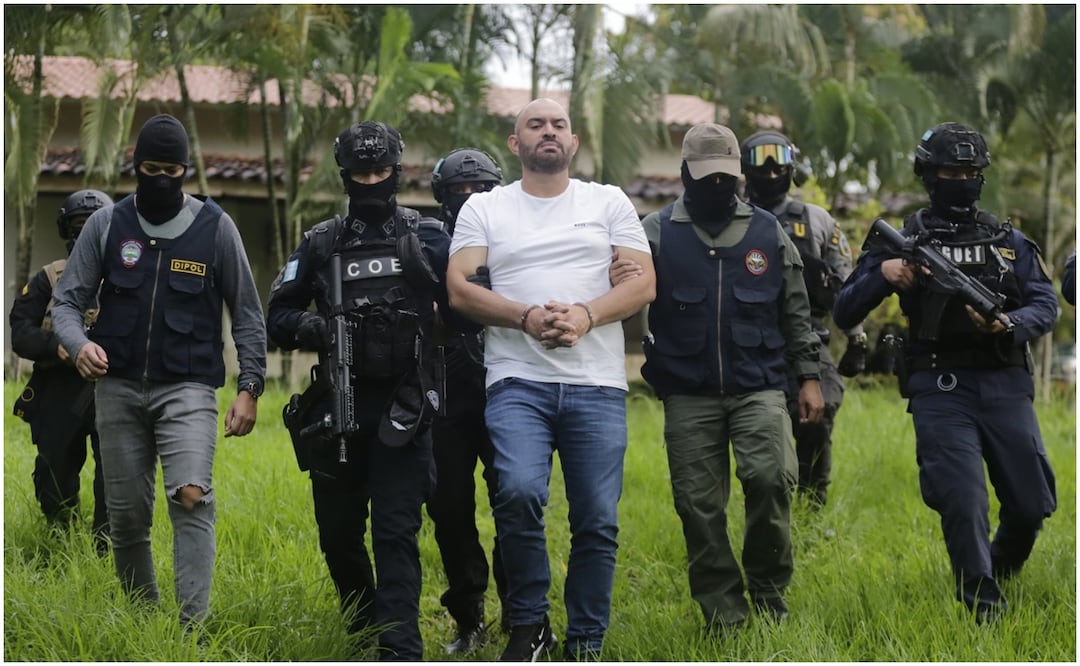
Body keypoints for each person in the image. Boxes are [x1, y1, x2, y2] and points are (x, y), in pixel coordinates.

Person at [446, 97, 656, 661]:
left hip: (598, 384)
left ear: (573, 141)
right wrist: (525, 316)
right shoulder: (486, 209)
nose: (548, 132)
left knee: (597, 517)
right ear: (515, 145)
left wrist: (586, 314)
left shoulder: (607, 201)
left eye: (558, 124)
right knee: (516, 493)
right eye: (534, 125)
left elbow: (643, 284)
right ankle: (530, 627)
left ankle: (586, 640)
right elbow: (460, 286)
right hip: (517, 379)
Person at [834, 122, 1058, 623]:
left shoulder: (1008, 241)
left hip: (1004, 381)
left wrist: (1009, 324)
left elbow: (1046, 304)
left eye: (969, 171)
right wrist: (883, 275)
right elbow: (845, 310)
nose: (960, 179)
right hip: (940, 384)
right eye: (949, 171)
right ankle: (983, 609)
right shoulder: (905, 238)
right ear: (928, 175)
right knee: (962, 498)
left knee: (1029, 504)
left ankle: (998, 570)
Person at [51, 113, 267, 631]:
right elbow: (66, 302)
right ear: (136, 166)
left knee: (191, 496)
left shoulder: (216, 228)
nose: (163, 180)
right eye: (152, 168)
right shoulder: (107, 225)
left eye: (173, 169)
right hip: (117, 387)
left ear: (187, 169)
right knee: (126, 515)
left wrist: (250, 386)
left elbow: (247, 311)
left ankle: (193, 629)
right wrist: (78, 345)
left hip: (188, 388)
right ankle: (143, 619)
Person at [268, 120, 451, 661]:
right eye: (361, 173)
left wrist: (437, 305)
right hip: (339, 407)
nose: (372, 181)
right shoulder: (322, 241)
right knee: (339, 535)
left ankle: (399, 648)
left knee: (396, 533)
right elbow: (277, 311)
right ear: (344, 175)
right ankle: (365, 627)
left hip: (405, 405)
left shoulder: (430, 235)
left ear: (397, 170)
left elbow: (470, 303)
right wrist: (317, 329)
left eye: (382, 171)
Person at [640, 123, 824, 634]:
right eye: (706, 178)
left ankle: (768, 592)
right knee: (697, 504)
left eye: (725, 178)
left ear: (739, 176)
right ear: (684, 175)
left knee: (770, 479)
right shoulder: (655, 232)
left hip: (759, 386)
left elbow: (795, 312)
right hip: (687, 390)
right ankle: (724, 612)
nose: (717, 186)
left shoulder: (769, 232)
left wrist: (808, 378)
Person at [740, 130, 867, 508]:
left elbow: (846, 283)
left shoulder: (816, 220)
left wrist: (857, 338)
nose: (769, 166)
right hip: (747, 338)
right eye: (760, 157)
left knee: (819, 410)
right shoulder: (731, 216)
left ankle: (812, 504)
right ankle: (766, 502)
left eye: (777, 156)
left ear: (792, 164)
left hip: (808, 339)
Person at [426, 147, 509, 655]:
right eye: (460, 191)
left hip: (507, 389)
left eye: (482, 190)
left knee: (515, 503)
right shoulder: (427, 242)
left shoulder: (520, 238)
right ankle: (468, 616)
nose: (471, 199)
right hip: (446, 394)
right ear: (443, 196)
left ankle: (520, 612)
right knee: (450, 510)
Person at [9, 189, 113, 553]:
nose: (84, 235)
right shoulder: (49, 278)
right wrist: (57, 345)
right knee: (53, 478)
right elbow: (19, 331)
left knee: (114, 479)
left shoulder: (127, 279)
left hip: (111, 393)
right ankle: (60, 543)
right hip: (57, 392)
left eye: (93, 227)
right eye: (78, 226)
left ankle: (106, 551)